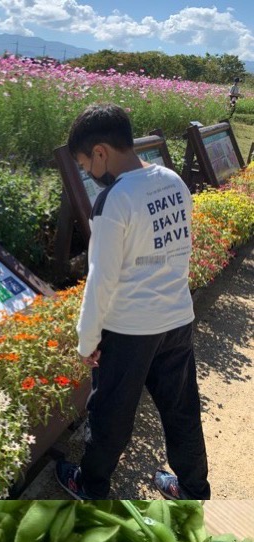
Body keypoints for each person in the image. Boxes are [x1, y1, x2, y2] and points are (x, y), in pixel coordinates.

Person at [56, 103, 210, 501]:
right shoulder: (174, 181)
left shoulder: (112, 201)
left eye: (86, 162)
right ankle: (193, 490)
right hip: (177, 319)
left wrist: (87, 340)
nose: (89, 172)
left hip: (130, 330)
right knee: (181, 410)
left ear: (101, 152)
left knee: (110, 414)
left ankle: (91, 486)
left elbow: (101, 281)